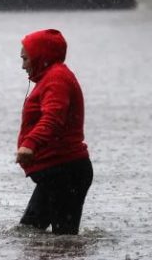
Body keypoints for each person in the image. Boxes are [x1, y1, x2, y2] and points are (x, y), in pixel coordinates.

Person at [15, 29, 93, 235]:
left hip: (65, 171)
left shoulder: (56, 79)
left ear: (41, 55)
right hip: (58, 172)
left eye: (25, 59)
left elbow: (53, 117)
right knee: (29, 234)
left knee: (63, 240)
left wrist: (30, 144)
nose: (22, 65)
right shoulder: (52, 77)